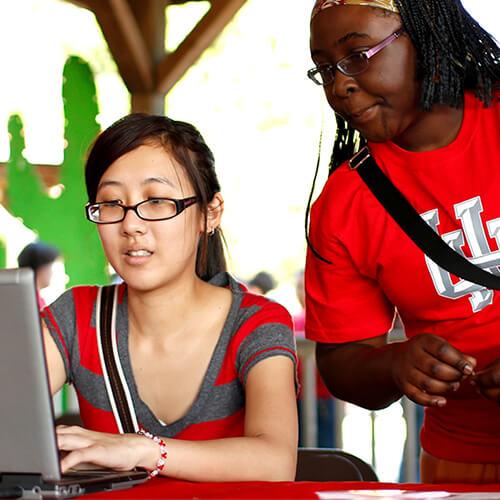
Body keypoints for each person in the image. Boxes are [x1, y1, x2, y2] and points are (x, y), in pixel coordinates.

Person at [41, 114, 298, 481]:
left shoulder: (256, 322)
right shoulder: (74, 317)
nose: (130, 224)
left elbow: (275, 463)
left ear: (210, 214)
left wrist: (143, 449)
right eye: (111, 203)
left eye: (157, 200)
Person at [305, 0, 499, 483]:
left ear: (426, 36)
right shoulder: (345, 203)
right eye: (325, 69)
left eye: (358, 55)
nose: (340, 85)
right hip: (461, 461)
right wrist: (395, 363)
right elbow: (341, 361)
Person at [293, 270, 336, 448]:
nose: (304, 292)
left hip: (324, 398)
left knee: (326, 447)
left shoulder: (330, 321)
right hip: (298, 399)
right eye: (300, 287)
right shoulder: (293, 322)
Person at [18, 241, 61, 310]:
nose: (52, 273)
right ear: (42, 268)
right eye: (51, 267)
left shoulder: (18, 297)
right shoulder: (34, 302)